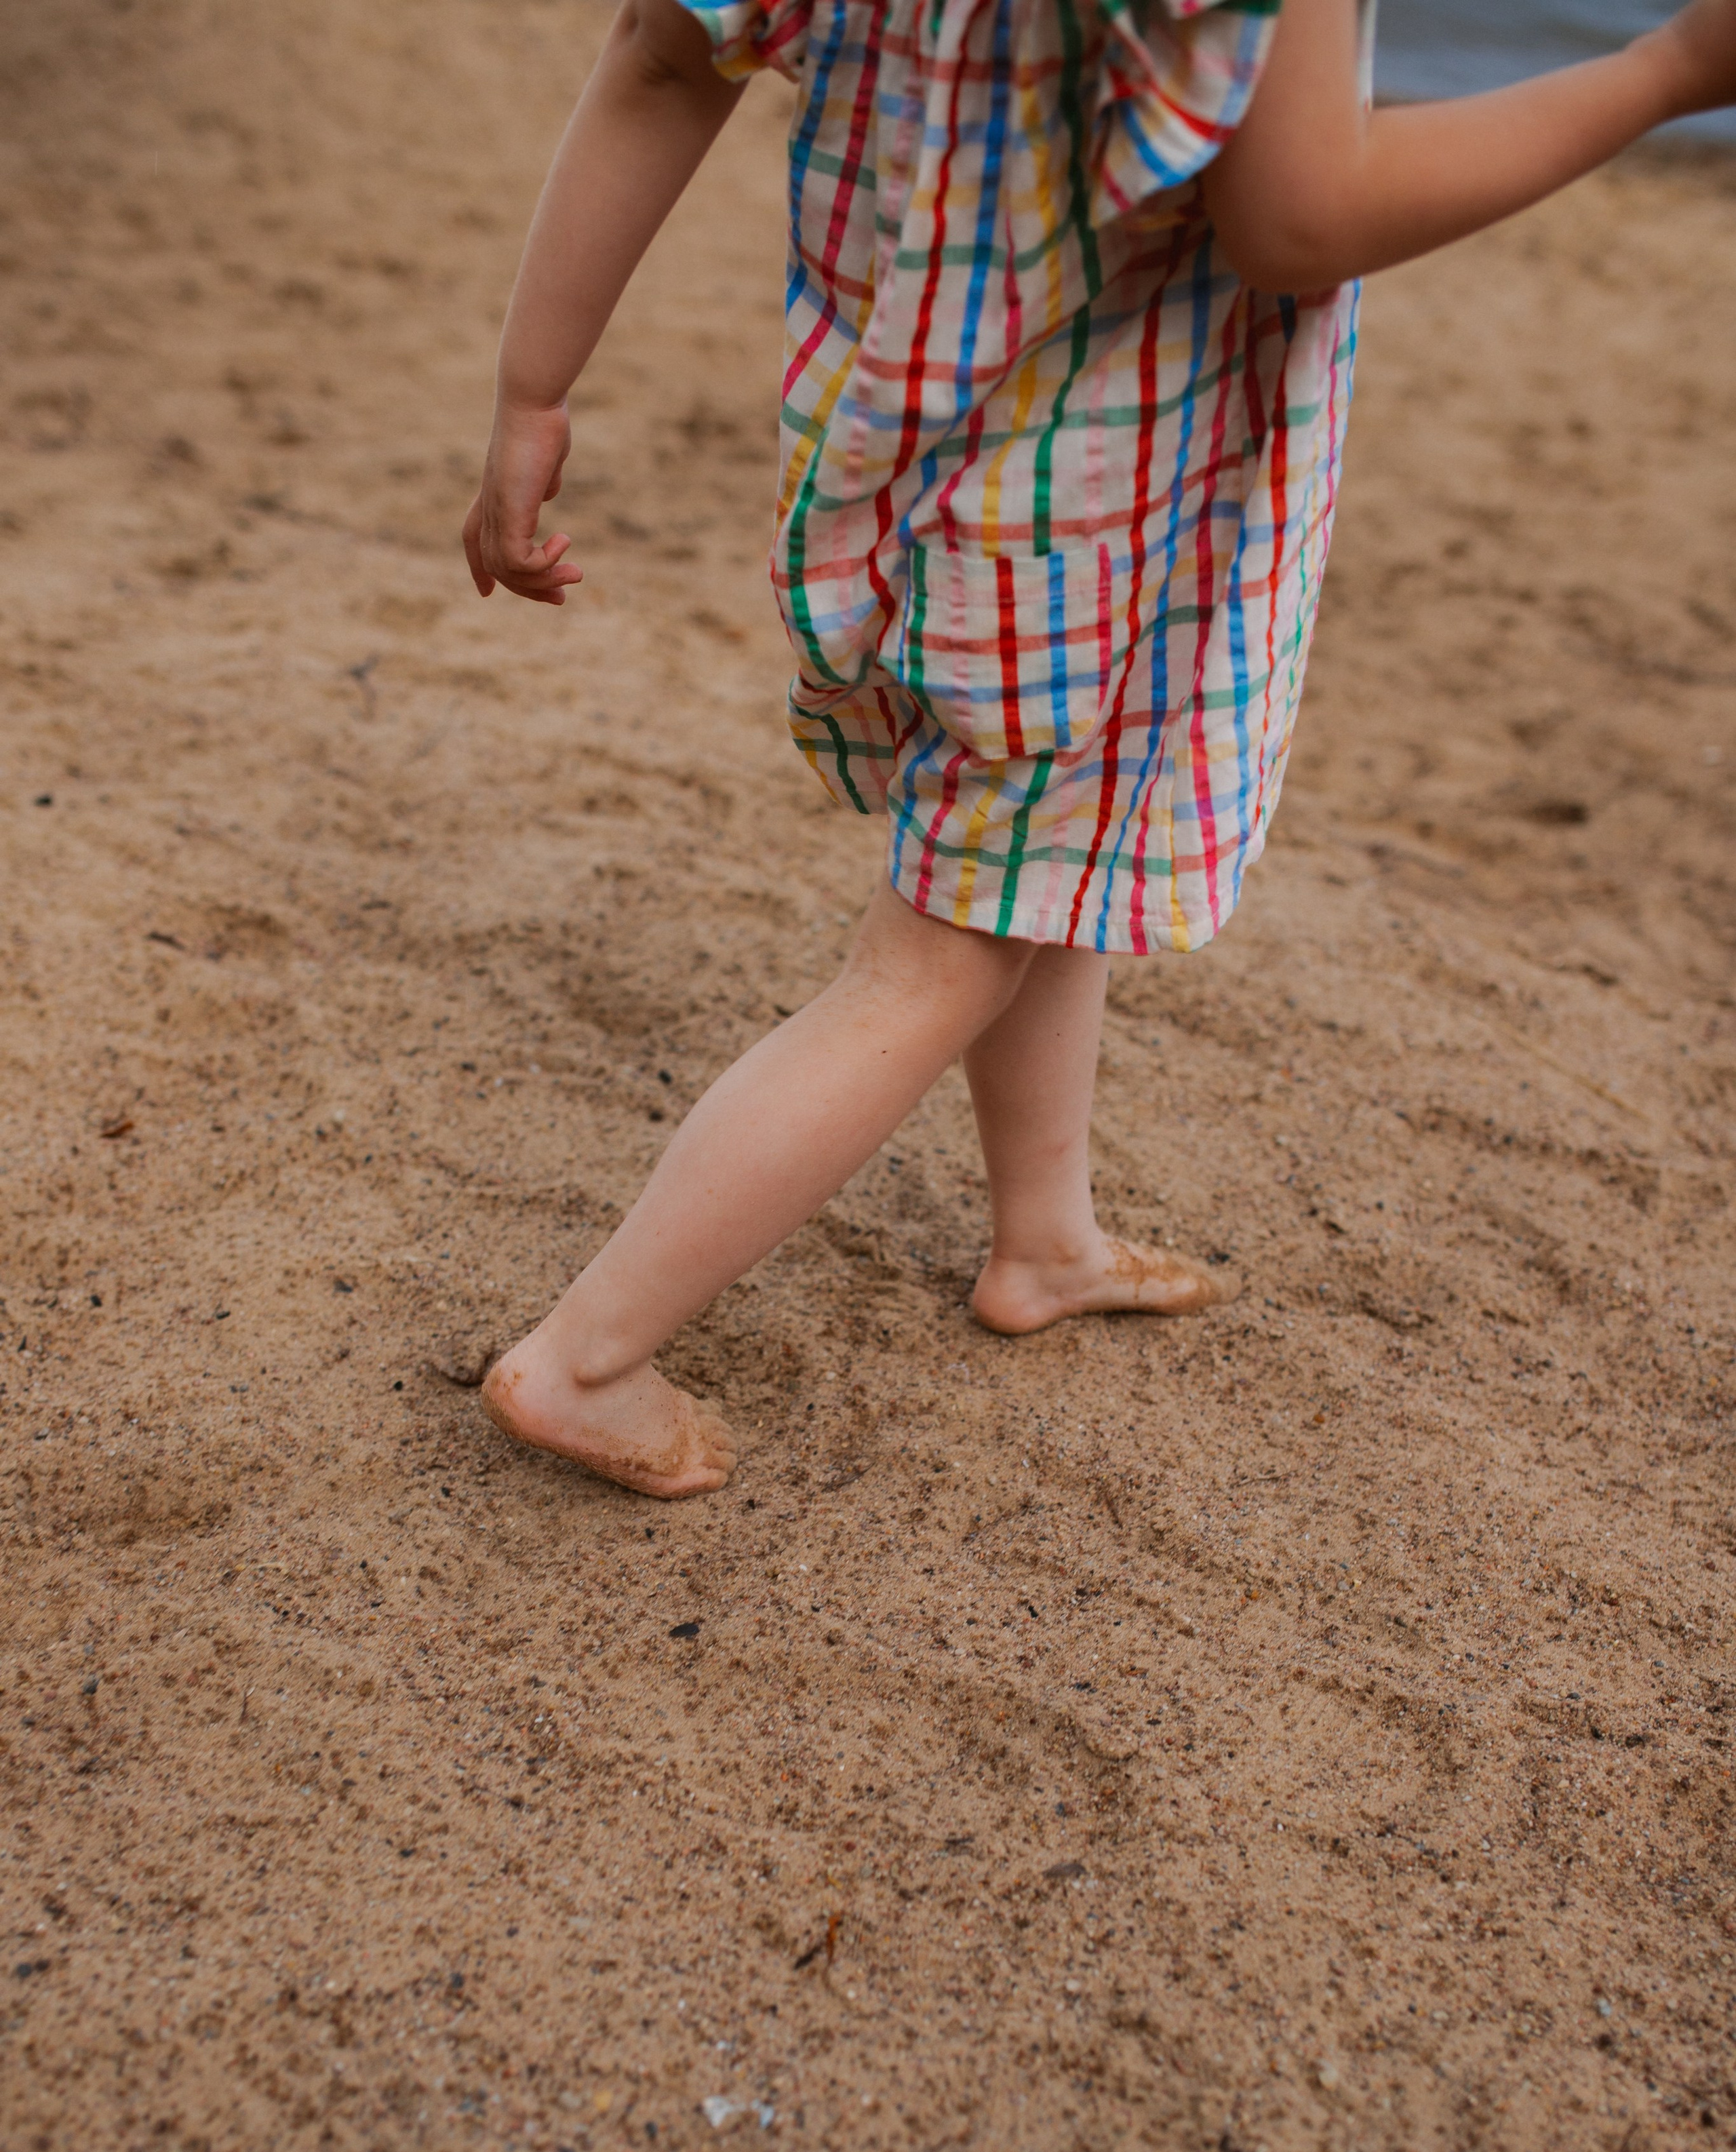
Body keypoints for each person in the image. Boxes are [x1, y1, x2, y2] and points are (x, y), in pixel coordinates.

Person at [464, 0, 1736, 1501]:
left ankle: (1044, 1241)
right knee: (934, 961)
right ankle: (588, 1358)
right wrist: (1667, 73)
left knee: (1036, 873)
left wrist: (530, 389)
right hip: (1096, 512)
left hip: (895, 446)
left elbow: (662, 55)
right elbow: (1299, 217)